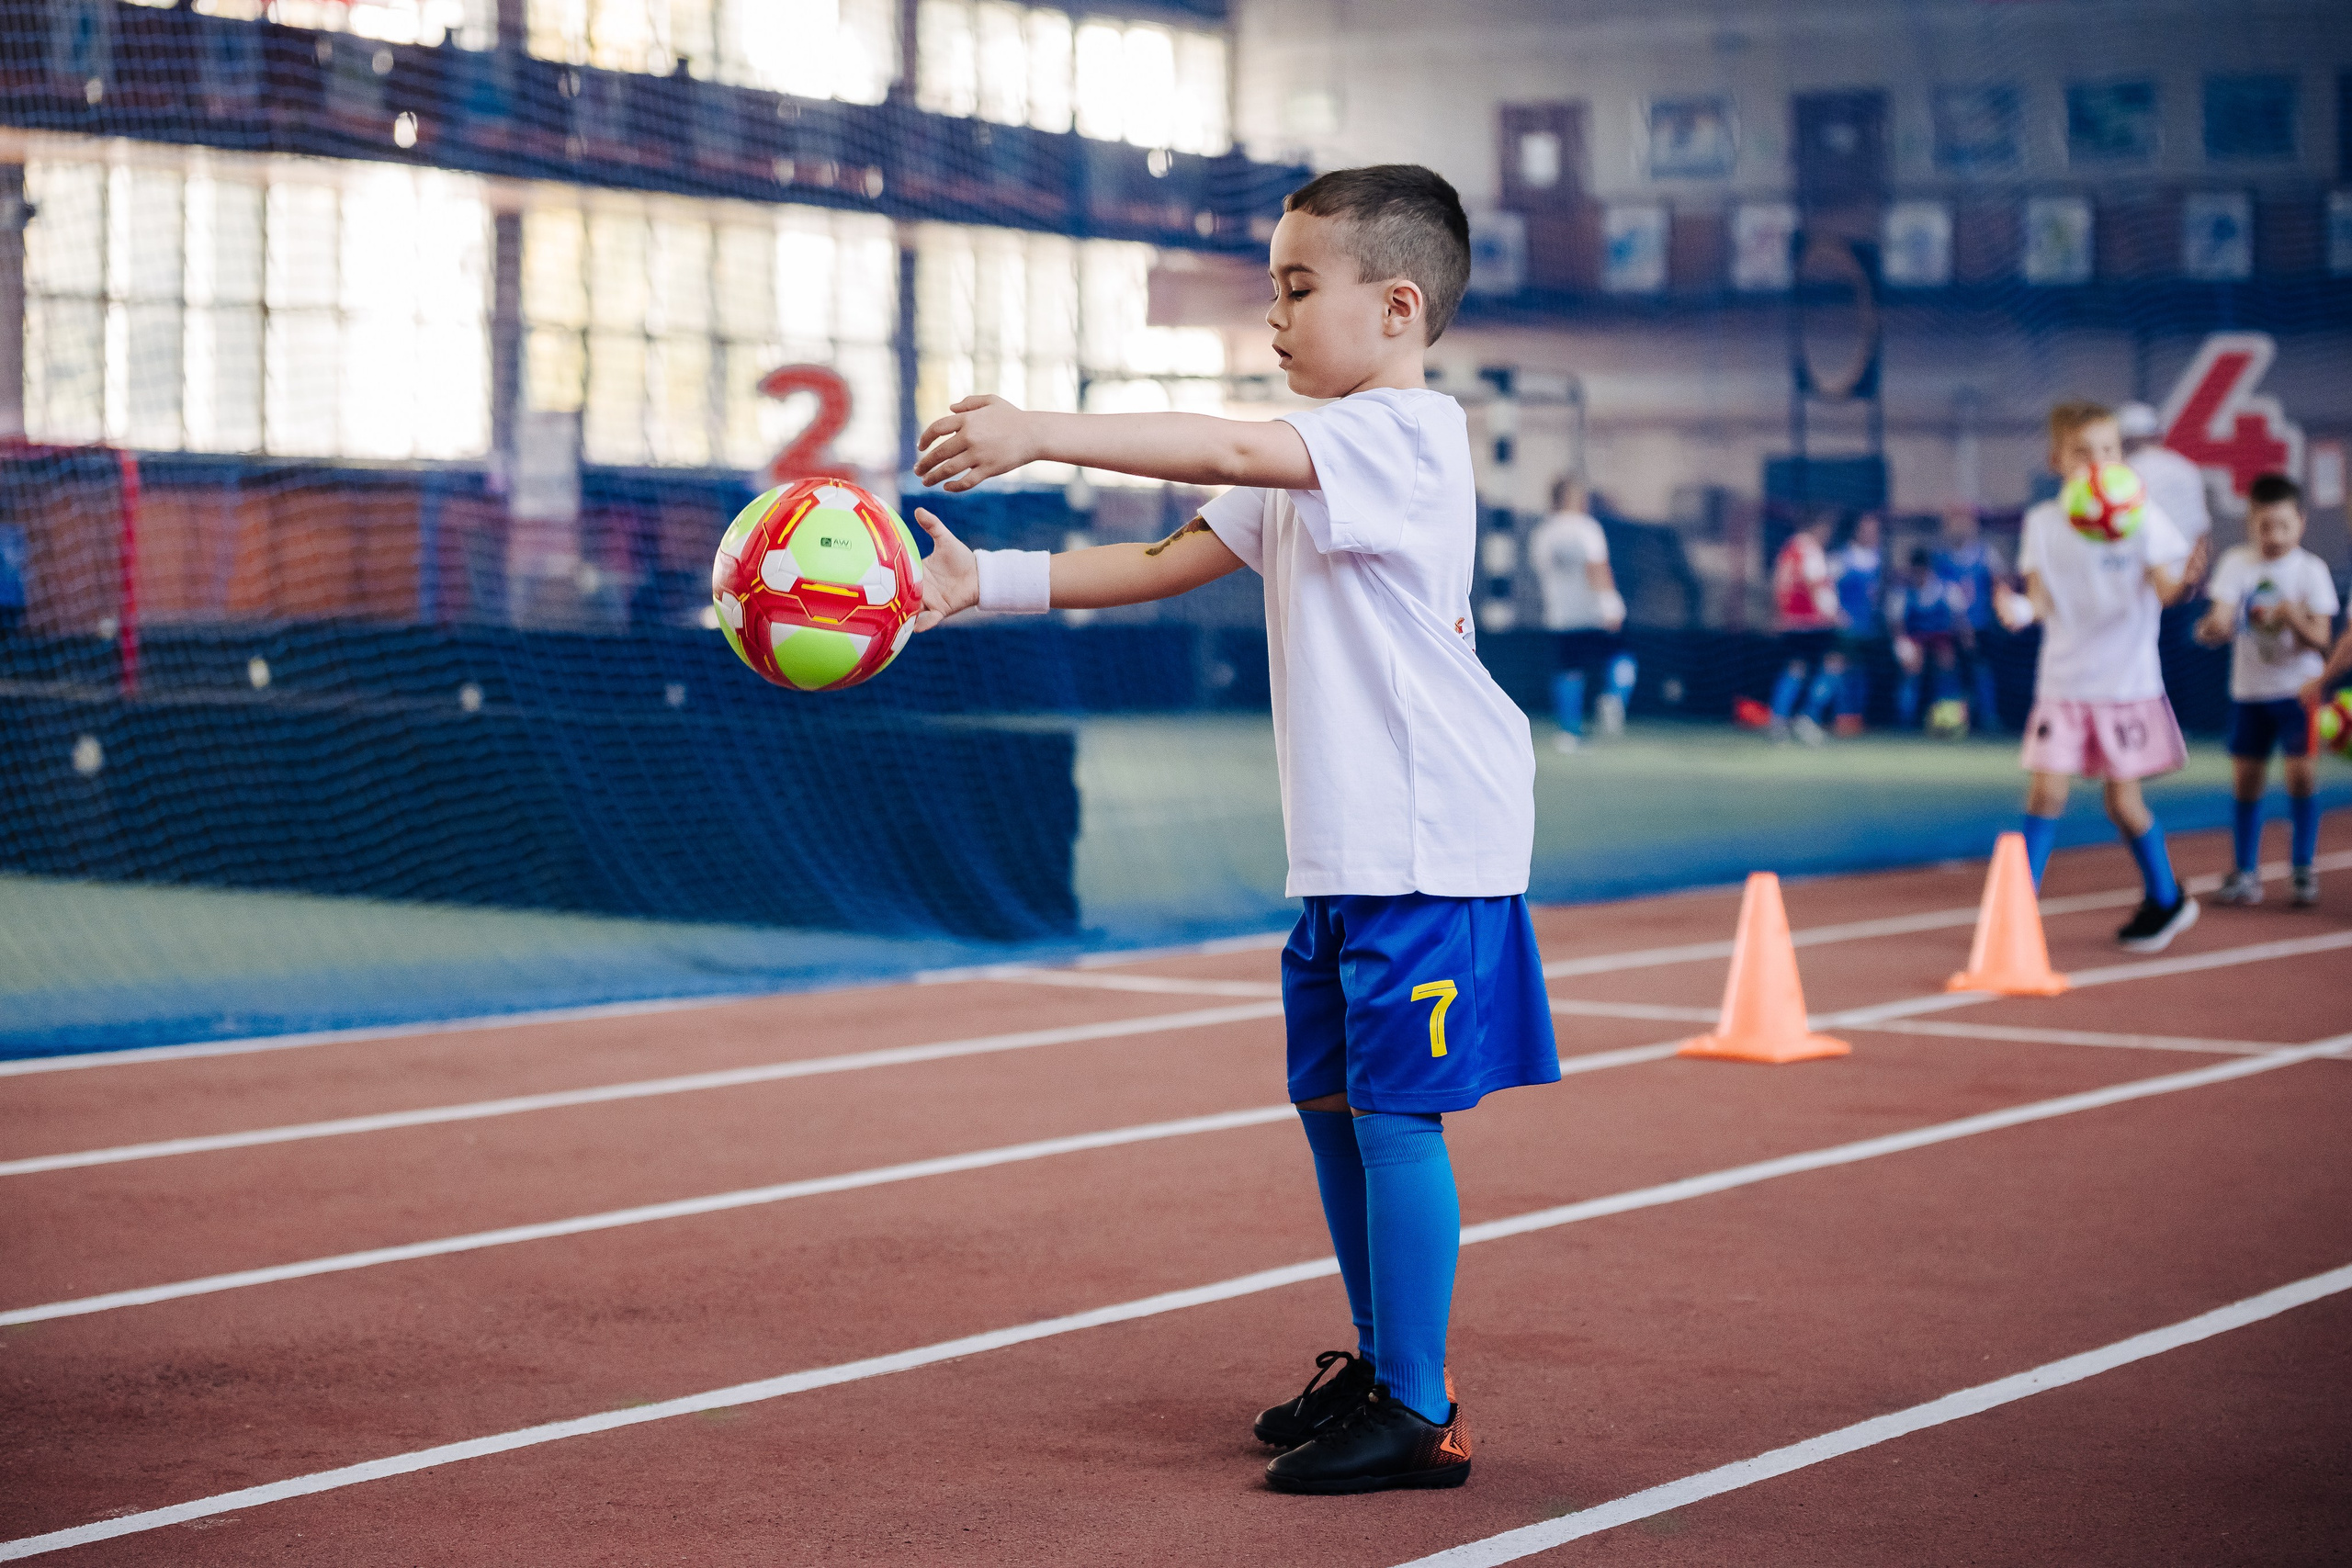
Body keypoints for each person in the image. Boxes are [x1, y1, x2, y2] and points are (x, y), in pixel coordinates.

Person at [906, 164, 1557, 1495]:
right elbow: (1165, 561)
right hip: (1346, 845)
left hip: (1430, 840)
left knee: (1392, 1115)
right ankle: (1379, 1368)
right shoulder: (1312, 456)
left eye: (1298, 287)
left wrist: (1044, 428)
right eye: (1272, 287)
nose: (1274, 314)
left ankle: (1420, 1409)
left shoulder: (1404, 437)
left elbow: (1231, 445)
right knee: (1328, 1103)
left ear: (1397, 306)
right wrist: (989, 584)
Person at [2005, 400, 2208, 950]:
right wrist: (2018, 612)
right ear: (2057, 460)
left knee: (2123, 803)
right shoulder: (2044, 524)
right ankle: (2016, 916)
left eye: (2109, 451)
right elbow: (2039, 599)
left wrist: (2186, 582)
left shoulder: (2141, 515)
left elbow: (2165, 591)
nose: (2098, 463)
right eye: (2082, 452)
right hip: (2063, 684)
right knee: (2046, 794)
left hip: (2125, 684)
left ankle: (2166, 898)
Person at [2195, 473, 2338, 907]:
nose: (2273, 536)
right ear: (2249, 524)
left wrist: (2294, 617)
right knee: (2246, 784)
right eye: (2263, 526)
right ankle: (2245, 873)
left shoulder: (2311, 570)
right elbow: (2218, 620)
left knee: (2301, 779)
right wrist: (2214, 628)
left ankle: (2302, 869)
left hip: (2299, 693)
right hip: (2249, 693)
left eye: (2283, 526)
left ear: (2301, 521)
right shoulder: (2237, 564)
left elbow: (2322, 639)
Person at [1527, 478, 1631, 751]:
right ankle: (1614, 698)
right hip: (1594, 610)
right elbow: (1596, 568)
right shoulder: (1587, 528)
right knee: (1621, 657)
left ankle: (1569, 733)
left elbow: (1543, 571)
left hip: (1560, 613)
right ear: (1571, 498)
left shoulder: (1543, 533)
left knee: (1568, 669)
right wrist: (1610, 603)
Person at [1769, 512, 1843, 744]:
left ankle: (1778, 722)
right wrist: (1833, 613)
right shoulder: (1810, 550)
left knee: (1795, 669)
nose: (1828, 535)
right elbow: (1814, 585)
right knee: (1834, 665)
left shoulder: (1788, 549)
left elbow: (1777, 584)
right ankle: (1808, 719)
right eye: (1826, 529)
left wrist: (1778, 614)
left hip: (1791, 620)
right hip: (1813, 622)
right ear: (1817, 527)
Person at [1933, 506, 2007, 729]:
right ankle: (1949, 720)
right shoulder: (1940, 558)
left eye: (1964, 522)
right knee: (1948, 671)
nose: (1960, 528)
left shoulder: (1987, 555)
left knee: (1981, 670)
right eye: (1954, 522)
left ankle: (1988, 717)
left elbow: (2001, 584)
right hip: (1949, 627)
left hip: (1980, 625)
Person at [1888, 547, 1965, 730]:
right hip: (1914, 639)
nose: (1918, 576)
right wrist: (1902, 647)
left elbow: (1960, 619)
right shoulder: (1902, 593)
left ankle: (1948, 718)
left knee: (1946, 662)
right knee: (1912, 667)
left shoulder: (1947, 589)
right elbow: (1897, 626)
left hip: (1941, 639)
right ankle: (1905, 719)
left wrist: (1966, 640)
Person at [2117, 401, 2211, 546]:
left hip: (2148, 564)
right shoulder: (2186, 468)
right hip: (2188, 563)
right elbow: (2202, 535)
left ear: (2124, 441)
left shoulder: (2123, 472)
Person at [1829, 513, 1883, 733]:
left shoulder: (1877, 558)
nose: (1872, 534)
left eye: (1875, 530)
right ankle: (1841, 717)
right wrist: (1836, 611)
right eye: (1867, 529)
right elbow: (1826, 585)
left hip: (1867, 627)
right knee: (1842, 669)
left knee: (1861, 671)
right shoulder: (1842, 557)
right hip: (1846, 626)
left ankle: (1856, 718)